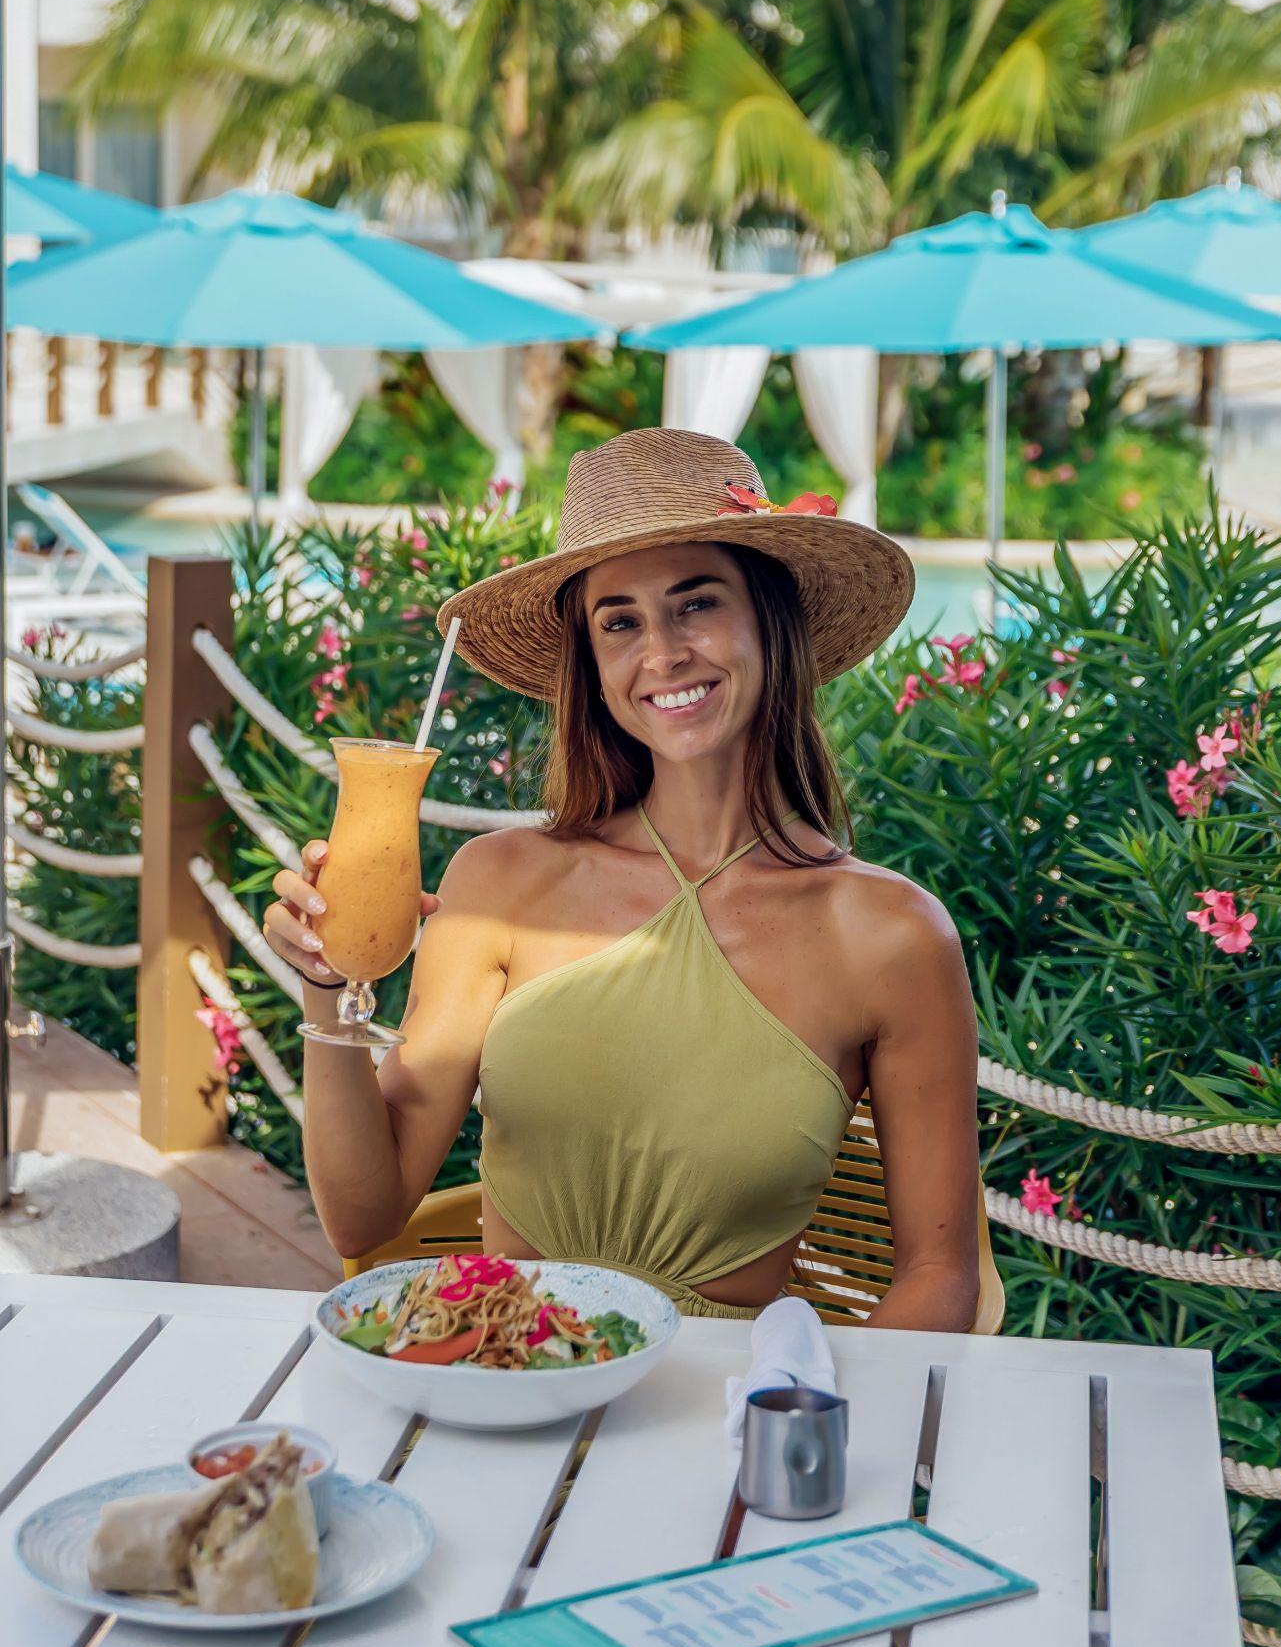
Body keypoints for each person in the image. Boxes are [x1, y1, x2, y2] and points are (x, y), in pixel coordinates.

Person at [264, 427, 993, 1331]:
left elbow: (940, 1275)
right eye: (620, 622)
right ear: (593, 663)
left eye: (696, 605)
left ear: (771, 618)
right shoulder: (499, 883)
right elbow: (362, 1213)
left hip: (722, 1416)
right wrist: (328, 993)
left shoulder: (890, 935)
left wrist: (793, 1443)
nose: (663, 652)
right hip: (507, 1381)